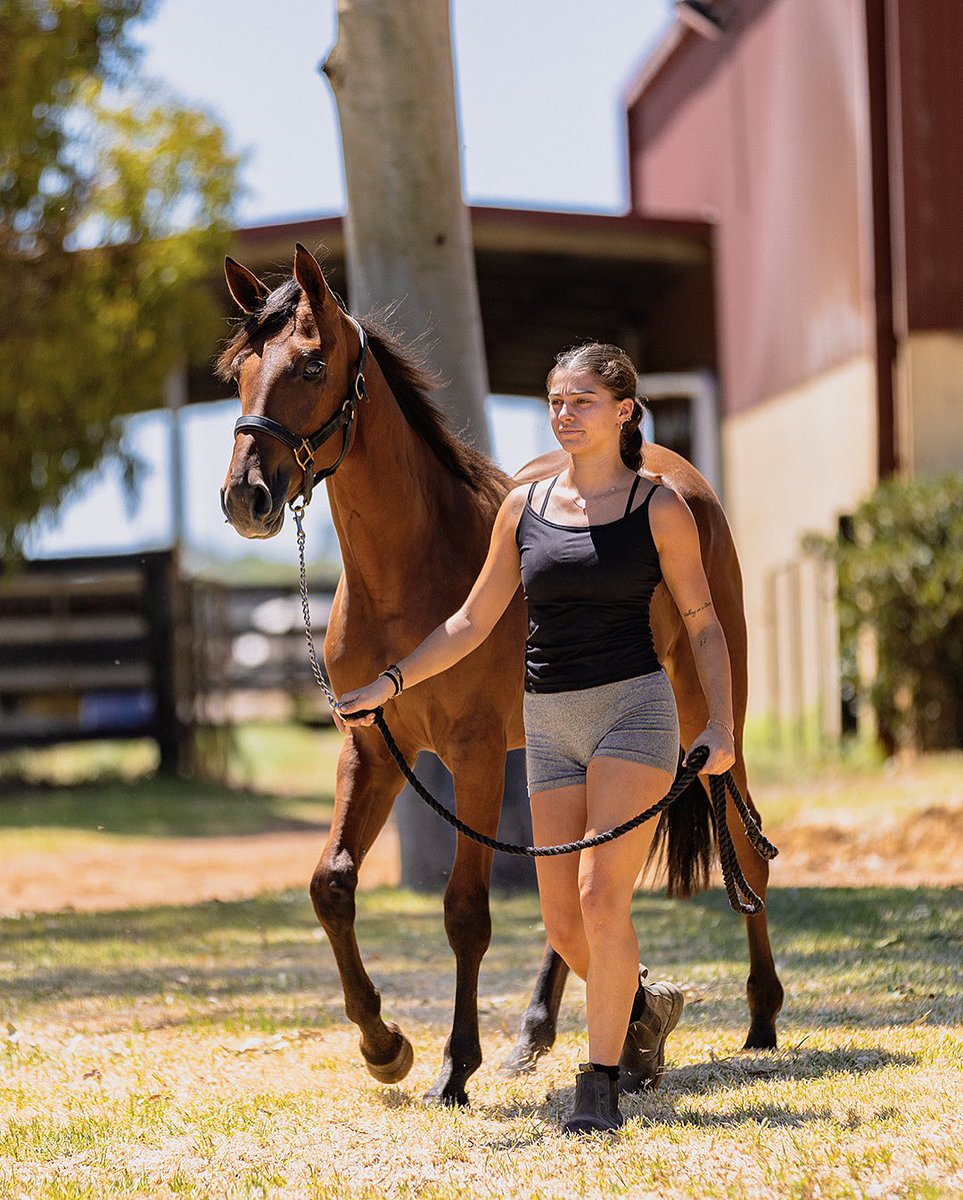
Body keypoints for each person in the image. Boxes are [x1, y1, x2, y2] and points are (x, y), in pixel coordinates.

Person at [335, 343, 736, 1134]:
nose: (564, 414)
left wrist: (719, 724)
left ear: (623, 411)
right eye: (555, 400)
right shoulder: (525, 508)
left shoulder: (659, 508)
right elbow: (470, 621)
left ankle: (599, 1083)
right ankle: (644, 1004)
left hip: (633, 711)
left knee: (596, 896)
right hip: (549, 721)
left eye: (581, 400)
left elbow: (703, 626)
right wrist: (392, 683)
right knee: (560, 924)